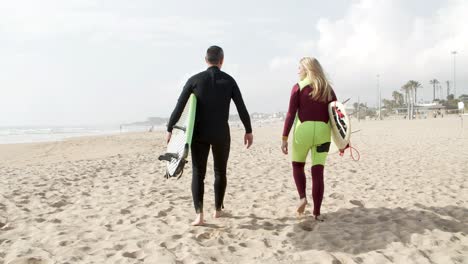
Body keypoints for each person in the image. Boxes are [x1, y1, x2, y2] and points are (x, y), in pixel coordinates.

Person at [166, 46, 253, 226]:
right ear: (221, 61)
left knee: (198, 173)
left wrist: (170, 128)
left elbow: (180, 106)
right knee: (220, 172)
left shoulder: (194, 80)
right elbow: (241, 108)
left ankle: (199, 215)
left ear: (206, 60)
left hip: (200, 134)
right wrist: (248, 130)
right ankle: (218, 209)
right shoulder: (229, 81)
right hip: (221, 133)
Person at [281, 57, 338, 221]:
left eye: (300, 67)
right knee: (318, 172)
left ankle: (302, 197)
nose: (298, 70)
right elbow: (337, 115)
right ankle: (317, 213)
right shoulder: (328, 89)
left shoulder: (298, 87)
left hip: (303, 133)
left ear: (307, 69)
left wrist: (284, 137)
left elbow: (291, 114)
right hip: (322, 133)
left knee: (297, 166)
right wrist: (342, 140)